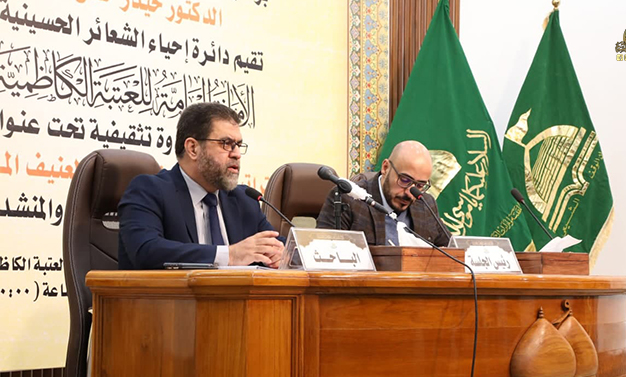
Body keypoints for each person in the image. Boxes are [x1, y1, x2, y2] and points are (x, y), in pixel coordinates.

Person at [118, 102, 284, 270]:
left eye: (238, 145)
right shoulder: (149, 191)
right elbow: (146, 251)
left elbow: (277, 246)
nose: (236, 154)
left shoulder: (244, 200)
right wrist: (230, 255)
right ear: (193, 148)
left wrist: (282, 255)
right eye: (226, 143)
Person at [316, 140, 451, 247]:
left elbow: (453, 251)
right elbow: (323, 252)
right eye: (405, 180)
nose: (410, 193)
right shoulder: (349, 200)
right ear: (385, 168)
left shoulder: (425, 205)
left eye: (420, 185)